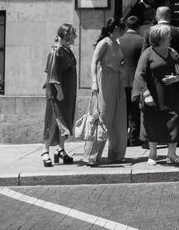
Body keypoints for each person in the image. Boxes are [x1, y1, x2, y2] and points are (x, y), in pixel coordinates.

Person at [132, 24, 179, 165]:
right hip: (153, 96)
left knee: (174, 123)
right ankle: (153, 154)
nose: (170, 38)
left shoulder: (173, 53)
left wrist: (177, 78)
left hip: (170, 96)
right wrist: (146, 93)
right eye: (167, 36)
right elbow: (139, 75)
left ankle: (172, 154)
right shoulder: (147, 54)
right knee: (152, 124)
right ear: (159, 38)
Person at [84, 19, 128, 166]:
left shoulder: (117, 42)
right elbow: (93, 62)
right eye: (121, 29)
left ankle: (117, 153)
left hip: (117, 78)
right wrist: (94, 82)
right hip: (106, 79)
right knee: (103, 116)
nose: (123, 32)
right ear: (115, 28)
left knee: (119, 117)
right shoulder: (105, 42)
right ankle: (92, 155)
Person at [41, 24, 77, 167]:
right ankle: (45, 151)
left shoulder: (66, 50)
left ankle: (61, 149)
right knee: (54, 121)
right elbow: (53, 75)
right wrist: (60, 92)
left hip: (67, 93)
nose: (75, 36)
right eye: (73, 34)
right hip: (57, 95)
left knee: (65, 121)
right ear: (67, 35)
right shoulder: (56, 52)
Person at [142, 6, 179, 85]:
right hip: (174, 73)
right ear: (170, 17)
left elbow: (144, 54)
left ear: (156, 16)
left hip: (154, 72)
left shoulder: (149, 32)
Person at [119, 15, 145, 147]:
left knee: (122, 111)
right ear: (138, 27)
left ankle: (123, 138)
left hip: (121, 80)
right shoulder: (142, 41)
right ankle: (134, 138)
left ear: (126, 26)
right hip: (136, 81)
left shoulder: (118, 40)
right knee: (135, 111)